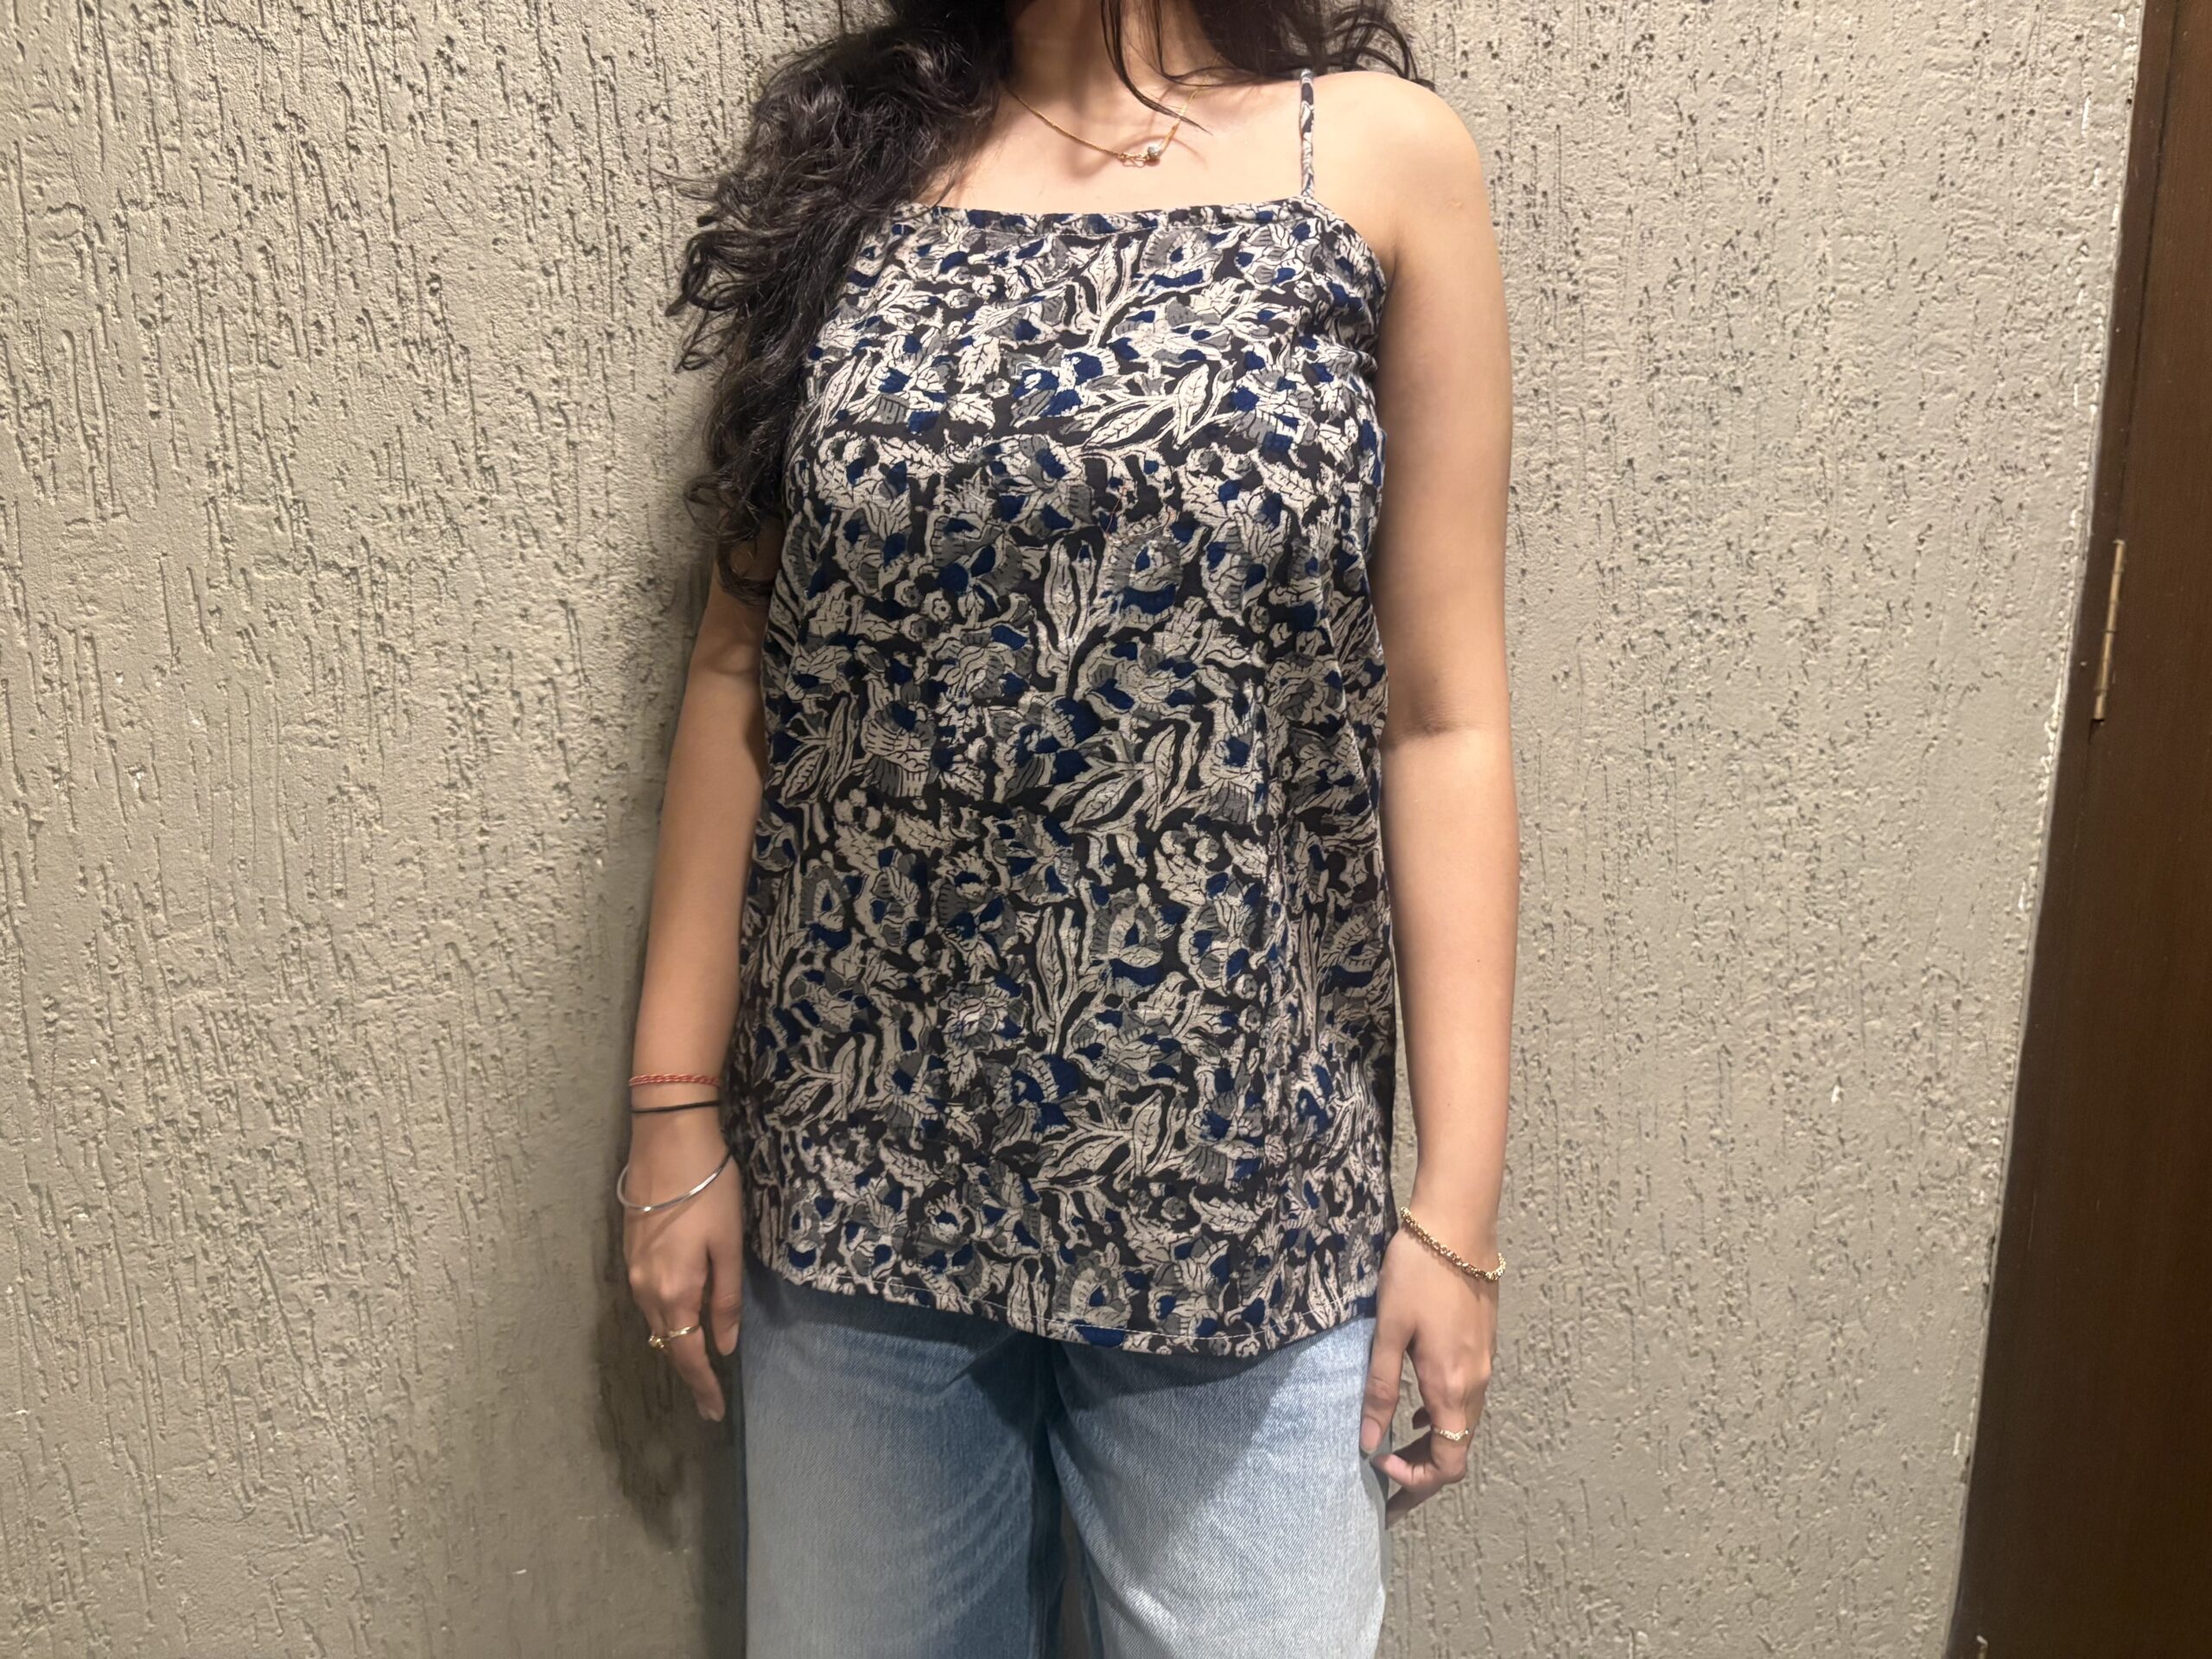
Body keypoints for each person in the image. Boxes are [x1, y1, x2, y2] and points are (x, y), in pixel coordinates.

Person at [620, 0, 1516, 1650]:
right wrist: (672, 1108)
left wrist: (1455, 1213)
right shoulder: (859, 171)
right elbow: (747, 663)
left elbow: (1442, 717)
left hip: (1244, 1193)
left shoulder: (1377, 163)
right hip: (866, 1180)